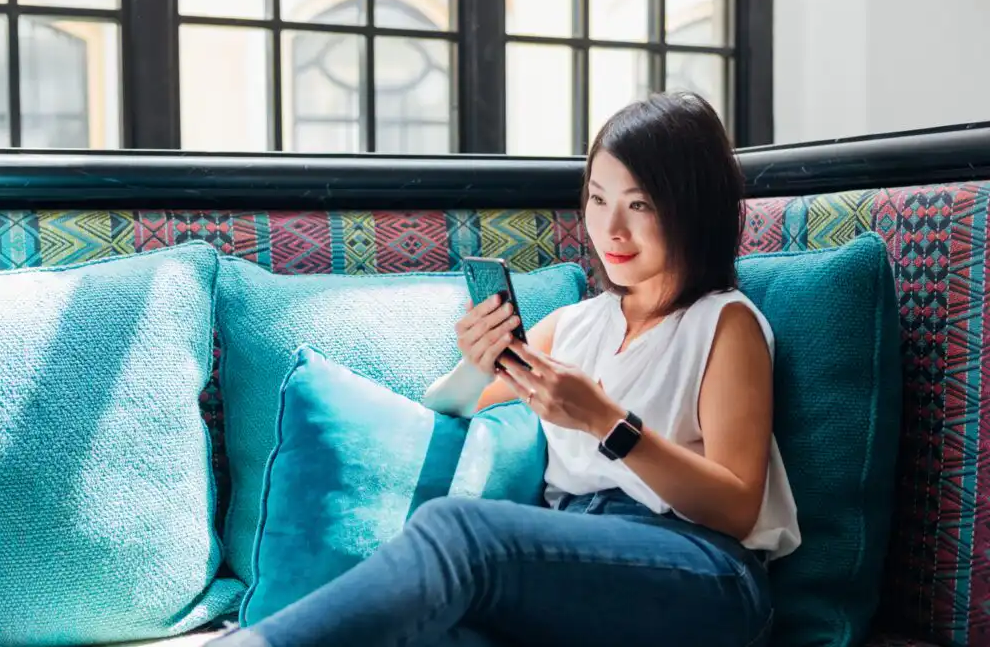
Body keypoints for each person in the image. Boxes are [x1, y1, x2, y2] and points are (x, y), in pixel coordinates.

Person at [212, 93, 801, 647]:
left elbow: (737, 507)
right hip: (570, 557)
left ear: (693, 209)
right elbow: (450, 411)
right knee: (436, 622)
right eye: (598, 198)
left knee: (461, 533)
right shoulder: (574, 325)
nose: (612, 229)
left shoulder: (724, 323)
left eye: (640, 204)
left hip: (704, 570)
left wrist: (606, 422)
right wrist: (474, 366)